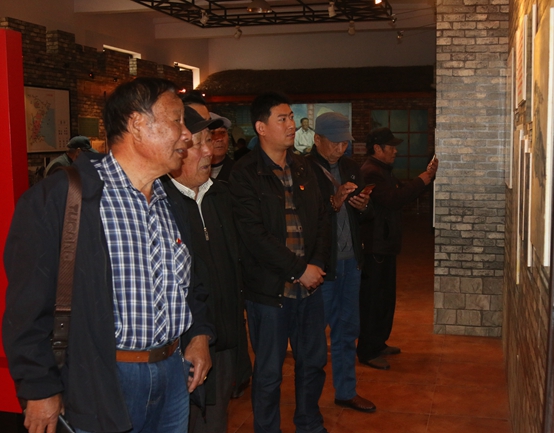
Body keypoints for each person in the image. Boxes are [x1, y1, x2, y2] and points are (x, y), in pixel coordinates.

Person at [2, 77, 213, 433]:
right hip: (101, 381)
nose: (187, 135)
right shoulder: (64, 198)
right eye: (176, 120)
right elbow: (27, 307)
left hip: (173, 376)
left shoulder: (172, 202)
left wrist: (199, 335)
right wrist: (39, 388)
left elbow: (191, 285)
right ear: (137, 124)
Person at [229, 91, 330, 433]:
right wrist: (298, 269)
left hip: (309, 288)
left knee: (313, 364)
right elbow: (253, 235)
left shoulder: (303, 166)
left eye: (291, 117)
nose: (291, 125)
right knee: (269, 373)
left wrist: (315, 265)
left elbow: (322, 219)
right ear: (261, 127)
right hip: (269, 292)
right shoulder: (244, 173)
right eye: (282, 119)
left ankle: (309, 423)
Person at [162, 105, 245, 433]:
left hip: (224, 343)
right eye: (197, 144)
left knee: (215, 421)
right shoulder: (161, 204)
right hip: (183, 348)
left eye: (209, 140)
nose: (209, 151)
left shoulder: (221, 196)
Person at [306, 112, 376, 413]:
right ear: (317, 139)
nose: (340, 148)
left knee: (348, 330)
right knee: (312, 336)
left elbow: (366, 216)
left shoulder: (350, 167)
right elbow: (303, 219)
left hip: (350, 262)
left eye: (345, 142)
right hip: (322, 266)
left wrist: (363, 206)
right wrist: (333, 203)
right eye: (334, 142)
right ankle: (307, 401)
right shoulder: (304, 170)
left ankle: (346, 391)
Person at [356, 127, 438, 370]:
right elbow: (393, 199)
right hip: (375, 246)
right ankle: (368, 350)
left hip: (385, 244)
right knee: (373, 300)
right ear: (377, 148)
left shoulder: (382, 170)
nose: (395, 151)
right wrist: (423, 179)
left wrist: (426, 179)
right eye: (391, 147)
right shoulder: (371, 172)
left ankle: (378, 342)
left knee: (385, 298)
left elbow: (402, 193)